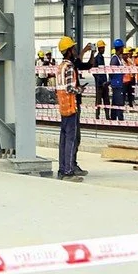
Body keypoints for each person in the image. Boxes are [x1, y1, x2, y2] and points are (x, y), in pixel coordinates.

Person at [55, 35, 87, 179]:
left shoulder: (60, 67)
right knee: (70, 139)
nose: (74, 51)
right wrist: (79, 90)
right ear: (68, 51)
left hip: (63, 107)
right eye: (73, 48)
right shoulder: (69, 67)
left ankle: (62, 170)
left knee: (63, 139)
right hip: (70, 106)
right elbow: (69, 88)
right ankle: (68, 171)